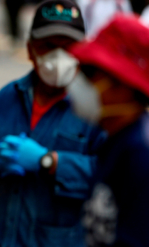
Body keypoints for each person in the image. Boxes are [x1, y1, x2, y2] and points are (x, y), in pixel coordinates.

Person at [0, 0, 106, 247]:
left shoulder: (96, 111)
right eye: (48, 46)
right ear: (30, 49)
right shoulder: (6, 99)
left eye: (67, 47)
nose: (58, 57)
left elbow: (114, 177)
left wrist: (50, 162)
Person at [68, 15, 149, 247]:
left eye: (90, 74)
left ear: (122, 86)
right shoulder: (111, 139)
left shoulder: (141, 158)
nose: (78, 83)